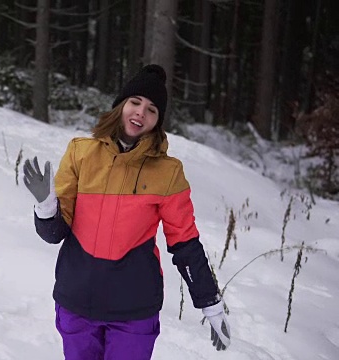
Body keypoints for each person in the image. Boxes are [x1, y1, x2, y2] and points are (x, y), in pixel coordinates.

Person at [23, 64, 231, 359]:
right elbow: (55, 234)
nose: (140, 113)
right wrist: (46, 206)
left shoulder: (168, 173)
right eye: (135, 102)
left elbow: (185, 242)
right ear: (120, 105)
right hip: (77, 300)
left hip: (134, 309)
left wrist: (209, 301)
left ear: (158, 121)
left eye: (152, 109)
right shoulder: (81, 153)